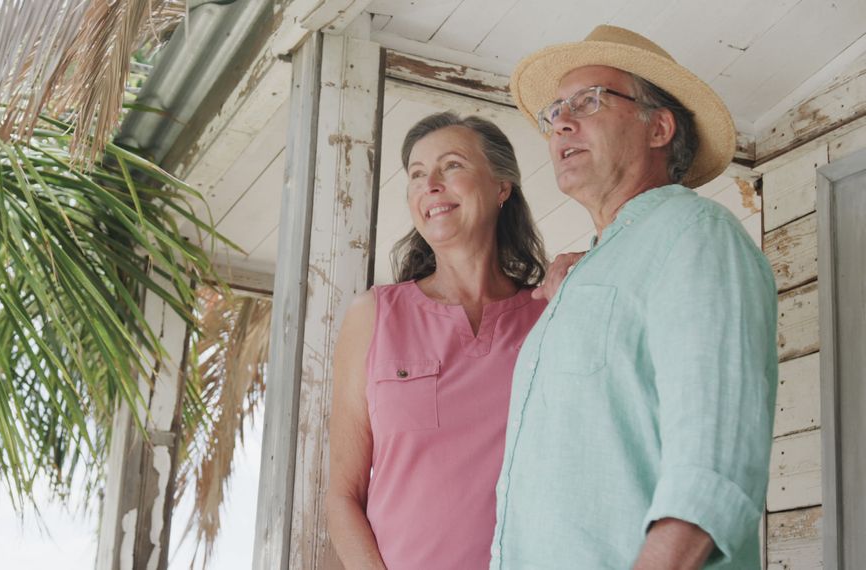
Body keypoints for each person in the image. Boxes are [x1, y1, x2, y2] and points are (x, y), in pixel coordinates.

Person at [489, 25, 778, 569]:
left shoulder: (695, 233)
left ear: (659, 128)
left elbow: (713, 467)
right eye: (554, 112)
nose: (561, 123)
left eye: (589, 100)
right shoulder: (583, 273)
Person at [326, 112, 548, 569]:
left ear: (502, 186)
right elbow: (342, 496)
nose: (431, 184)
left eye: (452, 166)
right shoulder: (374, 316)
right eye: (417, 175)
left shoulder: (550, 318)